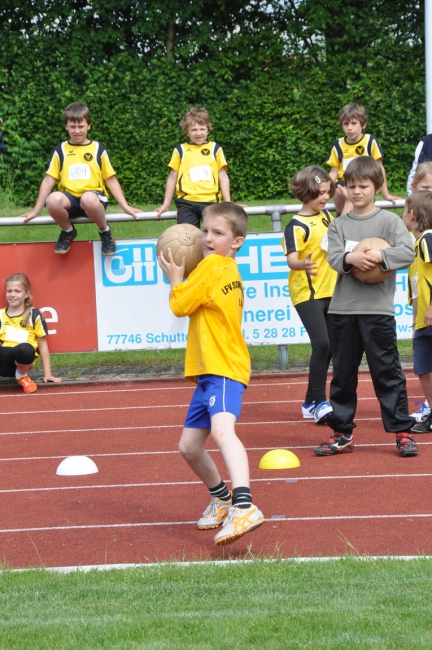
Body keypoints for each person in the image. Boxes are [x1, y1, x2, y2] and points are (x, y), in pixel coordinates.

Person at [158, 202, 264, 546]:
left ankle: (245, 504)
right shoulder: (227, 268)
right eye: (205, 230)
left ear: (237, 242)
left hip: (222, 367)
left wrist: (175, 279)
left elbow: (178, 305)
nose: (206, 238)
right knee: (189, 447)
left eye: (217, 233)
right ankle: (222, 498)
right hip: (211, 372)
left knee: (222, 430)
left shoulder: (213, 266)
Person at [314, 157, 417, 458]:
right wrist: (351, 259)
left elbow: (406, 252)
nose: (356, 191)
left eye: (364, 186)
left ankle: (402, 432)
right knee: (343, 375)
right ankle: (342, 433)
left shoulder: (389, 222)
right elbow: (333, 257)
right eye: (351, 186)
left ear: (376, 187)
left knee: (387, 372)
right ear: (344, 188)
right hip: (343, 310)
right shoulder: (339, 225)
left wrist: (379, 258)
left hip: (378, 311)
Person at [21, 102, 141, 255]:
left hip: (93, 199)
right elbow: (49, 180)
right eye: (72, 126)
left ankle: (105, 231)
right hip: (70, 201)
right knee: (53, 200)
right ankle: (68, 230)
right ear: (66, 126)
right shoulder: (61, 149)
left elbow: (111, 179)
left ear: (89, 126)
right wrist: (36, 210)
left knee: (88, 199)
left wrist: (126, 207)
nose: (77, 131)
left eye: (81, 126)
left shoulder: (98, 149)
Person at [282, 166, 337, 424]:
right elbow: (291, 259)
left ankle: (308, 402)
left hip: (330, 290)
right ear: (305, 194)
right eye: (319, 193)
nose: (325, 197)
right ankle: (319, 401)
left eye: (328, 192)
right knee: (322, 344)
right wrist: (302, 264)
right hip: (307, 293)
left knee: (329, 348)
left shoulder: (326, 215)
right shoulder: (296, 225)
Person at [154, 107, 231, 228]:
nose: (198, 133)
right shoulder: (180, 150)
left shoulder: (215, 149)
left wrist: (228, 202)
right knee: (187, 239)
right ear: (186, 131)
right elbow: (172, 178)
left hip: (211, 202)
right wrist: (166, 204)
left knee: (213, 236)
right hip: (187, 203)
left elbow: (223, 176)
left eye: (202, 129)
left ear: (208, 130)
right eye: (194, 129)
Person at [327, 102, 400, 216]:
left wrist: (386, 194)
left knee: (363, 189)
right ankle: (341, 218)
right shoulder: (338, 145)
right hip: (344, 184)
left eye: (354, 123)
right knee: (340, 189)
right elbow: (333, 173)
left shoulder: (370, 141)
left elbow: (380, 168)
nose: (349, 128)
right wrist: (322, 193)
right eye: (346, 124)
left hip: (365, 182)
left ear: (363, 124)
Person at [401, 191, 432, 434]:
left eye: (403, 211)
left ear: (412, 215)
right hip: (422, 322)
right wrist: (415, 322)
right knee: (422, 369)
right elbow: (415, 289)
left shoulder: (427, 240)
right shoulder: (415, 244)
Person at [0, 273, 61, 393]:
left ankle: (21, 376)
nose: (12, 295)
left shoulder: (34, 315)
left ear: (27, 294)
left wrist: (47, 374)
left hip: (21, 359)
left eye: (17, 291)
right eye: (9, 291)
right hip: (2, 358)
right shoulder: (1, 314)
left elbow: (42, 346)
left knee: (26, 349)